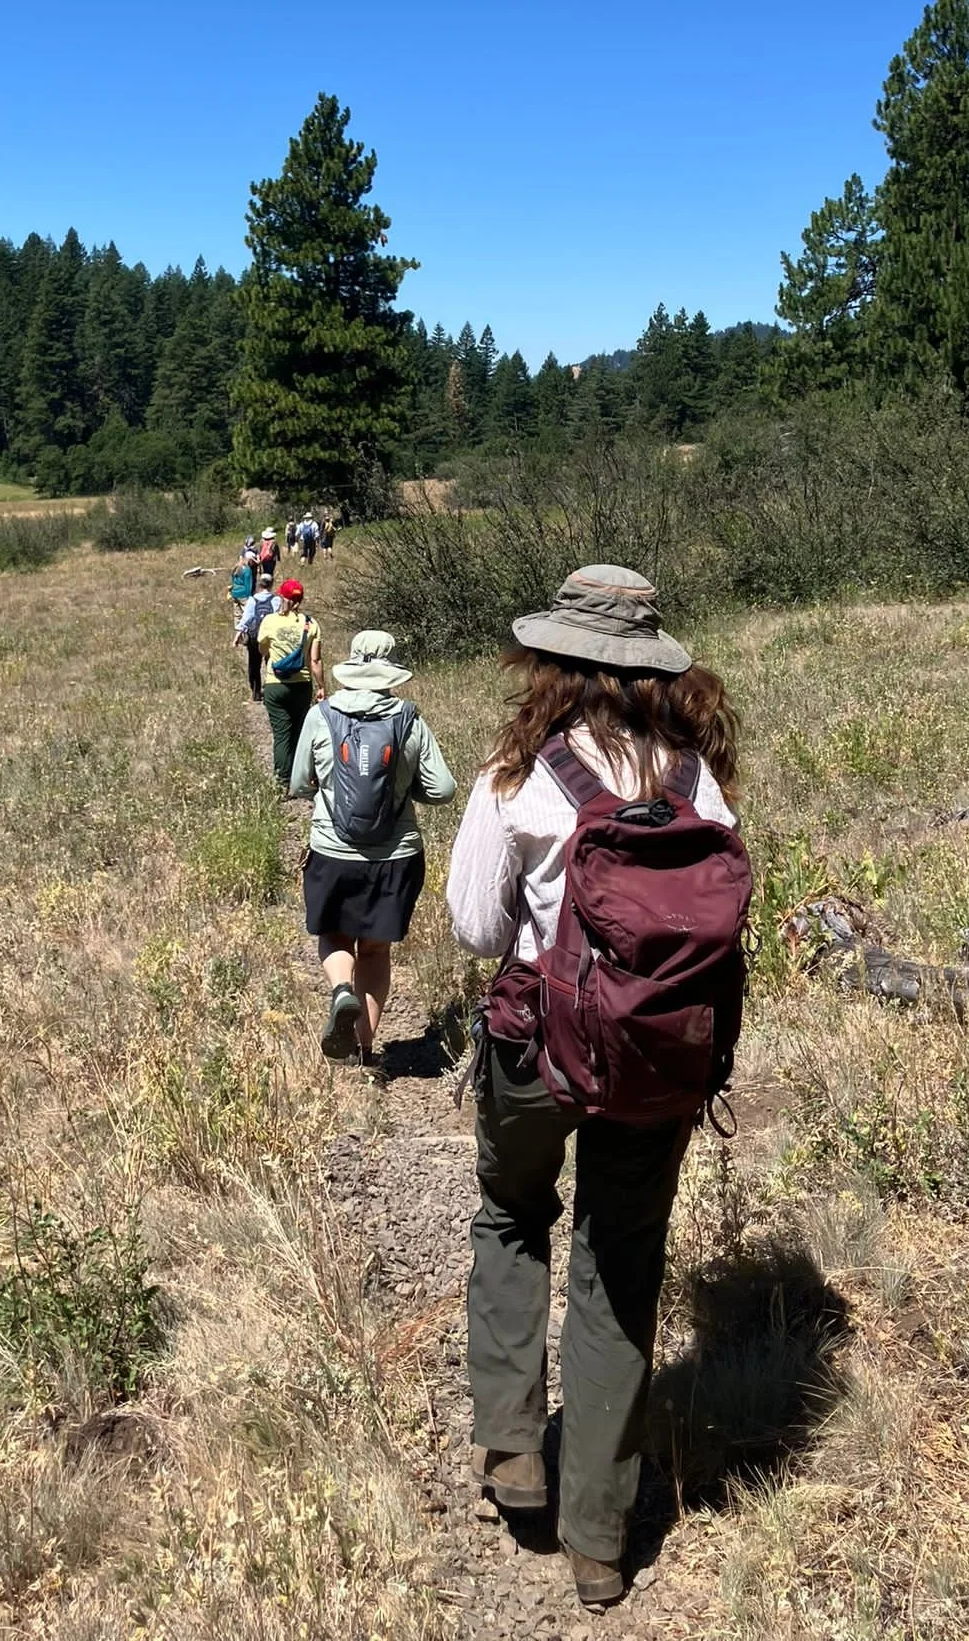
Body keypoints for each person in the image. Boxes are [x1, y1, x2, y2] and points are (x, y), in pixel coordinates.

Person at [445, 565, 741, 1610]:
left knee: (514, 1213)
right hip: (654, 1059)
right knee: (620, 1267)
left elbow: (477, 927)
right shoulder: (693, 776)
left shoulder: (519, 770)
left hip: (535, 1041)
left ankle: (515, 1449)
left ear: (556, 659)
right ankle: (600, 1538)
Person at [289, 631, 457, 1066]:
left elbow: (297, 782)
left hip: (332, 851)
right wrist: (404, 789)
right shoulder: (409, 719)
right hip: (396, 855)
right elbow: (443, 789)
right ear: (390, 670)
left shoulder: (320, 715)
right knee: (376, 950)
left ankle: (341, 990)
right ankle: (364, 1049)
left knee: (334, 935)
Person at [258, 578, 324, 784]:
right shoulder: (311, 624)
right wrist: (322, 687)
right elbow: (315, 661)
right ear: (300, 600)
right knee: (299, 732)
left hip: (275, 685)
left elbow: (262, 649)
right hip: (302, 685)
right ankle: (300, 778)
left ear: (281, 597)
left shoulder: (270, 621)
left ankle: (282, 780)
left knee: (281, 734)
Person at [234, 572, 280, 703]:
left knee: (254, 665)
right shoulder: (276, 600)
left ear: (259, 585)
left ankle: (256, 692)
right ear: (271, 585)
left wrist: (238, 634)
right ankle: (273, 690)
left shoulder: (252, 600)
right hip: (271, 637)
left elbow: (246, 618)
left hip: (255, 636)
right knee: (271, 663)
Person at [228, 544, 257, 613]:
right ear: (250, 560)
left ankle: (237, 624)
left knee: (237, 614)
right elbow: (248, 585)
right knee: (247, 613)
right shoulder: (247, 570)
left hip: (235, 593)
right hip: (243, 594)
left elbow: (232, 579)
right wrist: (249, 597)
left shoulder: (237, 566)